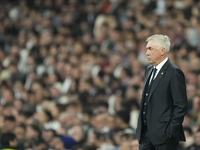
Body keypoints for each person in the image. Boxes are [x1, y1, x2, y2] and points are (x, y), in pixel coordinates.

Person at [136, 34, 187, 150]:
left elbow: (181, 105)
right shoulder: (149, 70)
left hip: (164, 136)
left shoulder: (174, 72)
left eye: (150, 49)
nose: (147, 53)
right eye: (146, 49)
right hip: (145, 135)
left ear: (162, 51)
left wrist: (170, 131)